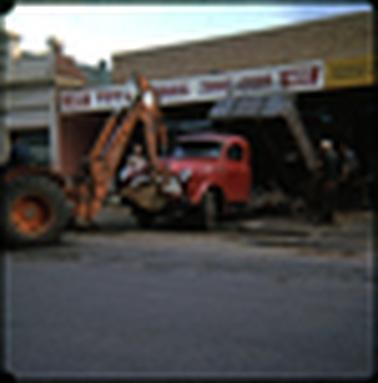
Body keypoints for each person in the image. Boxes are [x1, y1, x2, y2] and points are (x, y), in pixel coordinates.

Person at [315, 139, 340, 224]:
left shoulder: (327, 156)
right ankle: (330, 218)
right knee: (332, 200)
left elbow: (324, 168)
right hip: (334, 181)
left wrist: (319, 166)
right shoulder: (335, 155)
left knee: (325, 200)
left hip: (328, 181)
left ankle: (323, 219)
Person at [338, 142, 359, 209]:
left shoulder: (348, 154)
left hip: (352, 174)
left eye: (341, 148)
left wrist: (344, 176)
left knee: (348, 190)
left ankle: (348, 205)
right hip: (353, 173)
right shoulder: (350, 153)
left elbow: (349, 166)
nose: (340, 150)